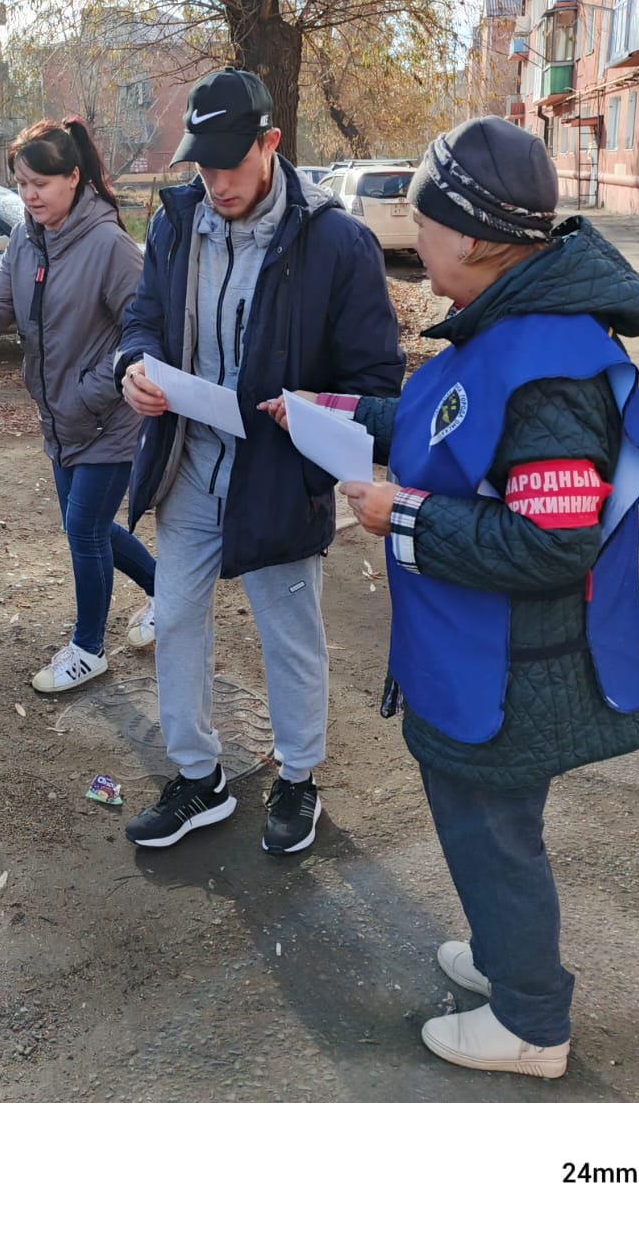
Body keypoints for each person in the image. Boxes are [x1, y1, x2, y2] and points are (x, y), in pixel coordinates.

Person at [273, 116, 639, 1076]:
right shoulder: (510, 326)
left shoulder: (554, 365)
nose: (414, 233)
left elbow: (553, 541)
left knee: (496, 837)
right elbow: (446, 421)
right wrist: (338, 412)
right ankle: (503, 958)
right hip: (482, 659)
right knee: (484, 829)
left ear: (479, 237)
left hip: (519, 671)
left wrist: (398, 517)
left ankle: (534, 1022)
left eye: (426, 217)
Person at [117, 68, 403, 855]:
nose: (214, 182)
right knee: (173, 619)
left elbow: (378, 382)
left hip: (279, 472)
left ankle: (299, 778)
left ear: (271, 144)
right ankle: (198, 778)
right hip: (187, 460)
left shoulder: (337, 242)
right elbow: (143, 317)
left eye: (228, 164)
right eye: (202, 167)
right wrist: (134, 368)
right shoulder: (177, 221)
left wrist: (316, 403)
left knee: (289, 632)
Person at [0, 117, 155, 693]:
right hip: (60, 415)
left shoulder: (109, 246)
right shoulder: (27, 239)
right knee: (87, 525)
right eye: (22, 184)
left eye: (42, 183)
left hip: (110, 417)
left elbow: (145, 333)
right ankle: (174, 596)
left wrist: (95, 389)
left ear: (74, 178)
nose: (30, 195)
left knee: (83, 529)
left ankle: (88, 648)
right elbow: (0, 299)